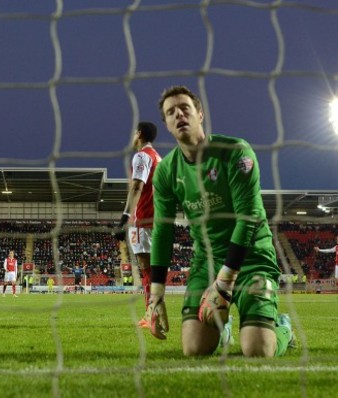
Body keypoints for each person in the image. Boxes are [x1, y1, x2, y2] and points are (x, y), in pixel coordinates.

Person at [146, 85, 295, 357]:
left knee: (258, 349)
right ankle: (221, 329)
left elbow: (248, 218)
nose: (178, 114)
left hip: (252, 258)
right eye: (171, 112)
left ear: (200, 114)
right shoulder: (166, 171)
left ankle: (284, 327)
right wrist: (156, 293)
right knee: (194, 349)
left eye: (184, 108)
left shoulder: (236, 152)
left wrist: (224, 284)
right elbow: (162, 231)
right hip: (208, 262)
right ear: (166, 124)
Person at [114, 121, 161, 329]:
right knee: (151, 269)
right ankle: (154, 313)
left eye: (134, 133)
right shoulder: (159, 158)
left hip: (143, 220)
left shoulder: (142, 156)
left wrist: (124, 218)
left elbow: (136, 187)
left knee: (147, 270)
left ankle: (152, 315)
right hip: (156, 220)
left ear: (139, 134)